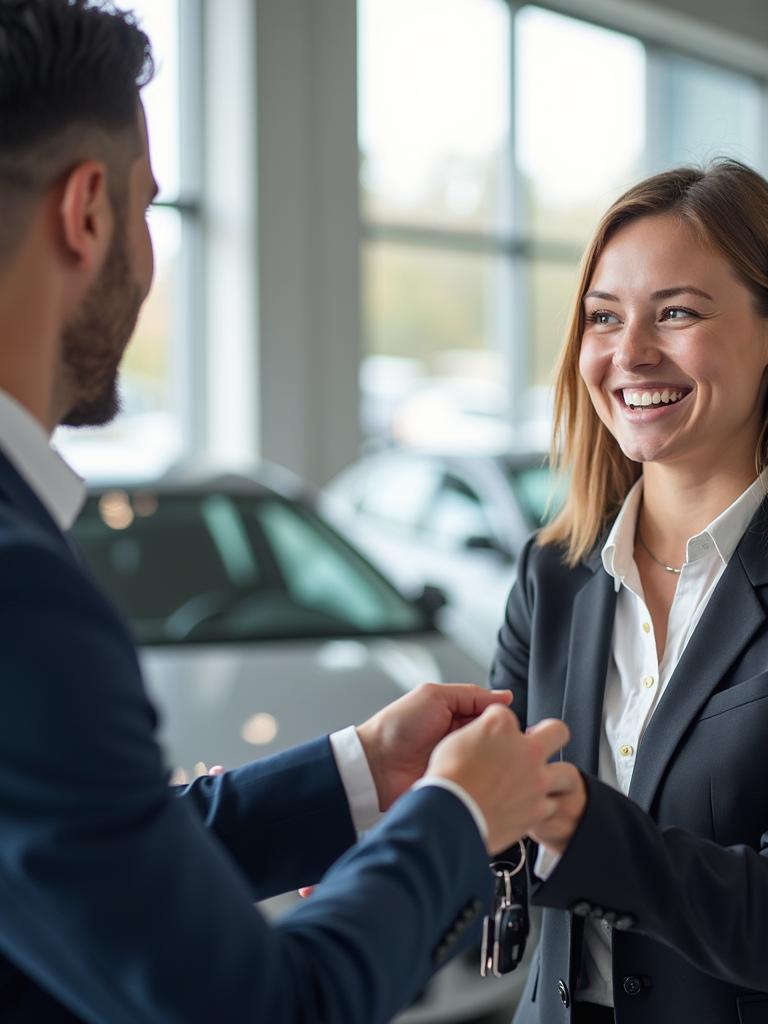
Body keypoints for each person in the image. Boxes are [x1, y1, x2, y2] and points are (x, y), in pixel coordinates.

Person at [0, 2, 575, 1022]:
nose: (148, 253)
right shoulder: (24, 592)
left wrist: (358, 773)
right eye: (147, 211)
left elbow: (84, 856)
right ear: (86, 212)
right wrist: (454, 815)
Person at [492, 161, 768, 1023]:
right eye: (603, 317)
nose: (629, 354)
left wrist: (576, 822)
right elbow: (505, 865)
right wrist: (391, 848)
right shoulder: (550, 574)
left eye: (677, 312)